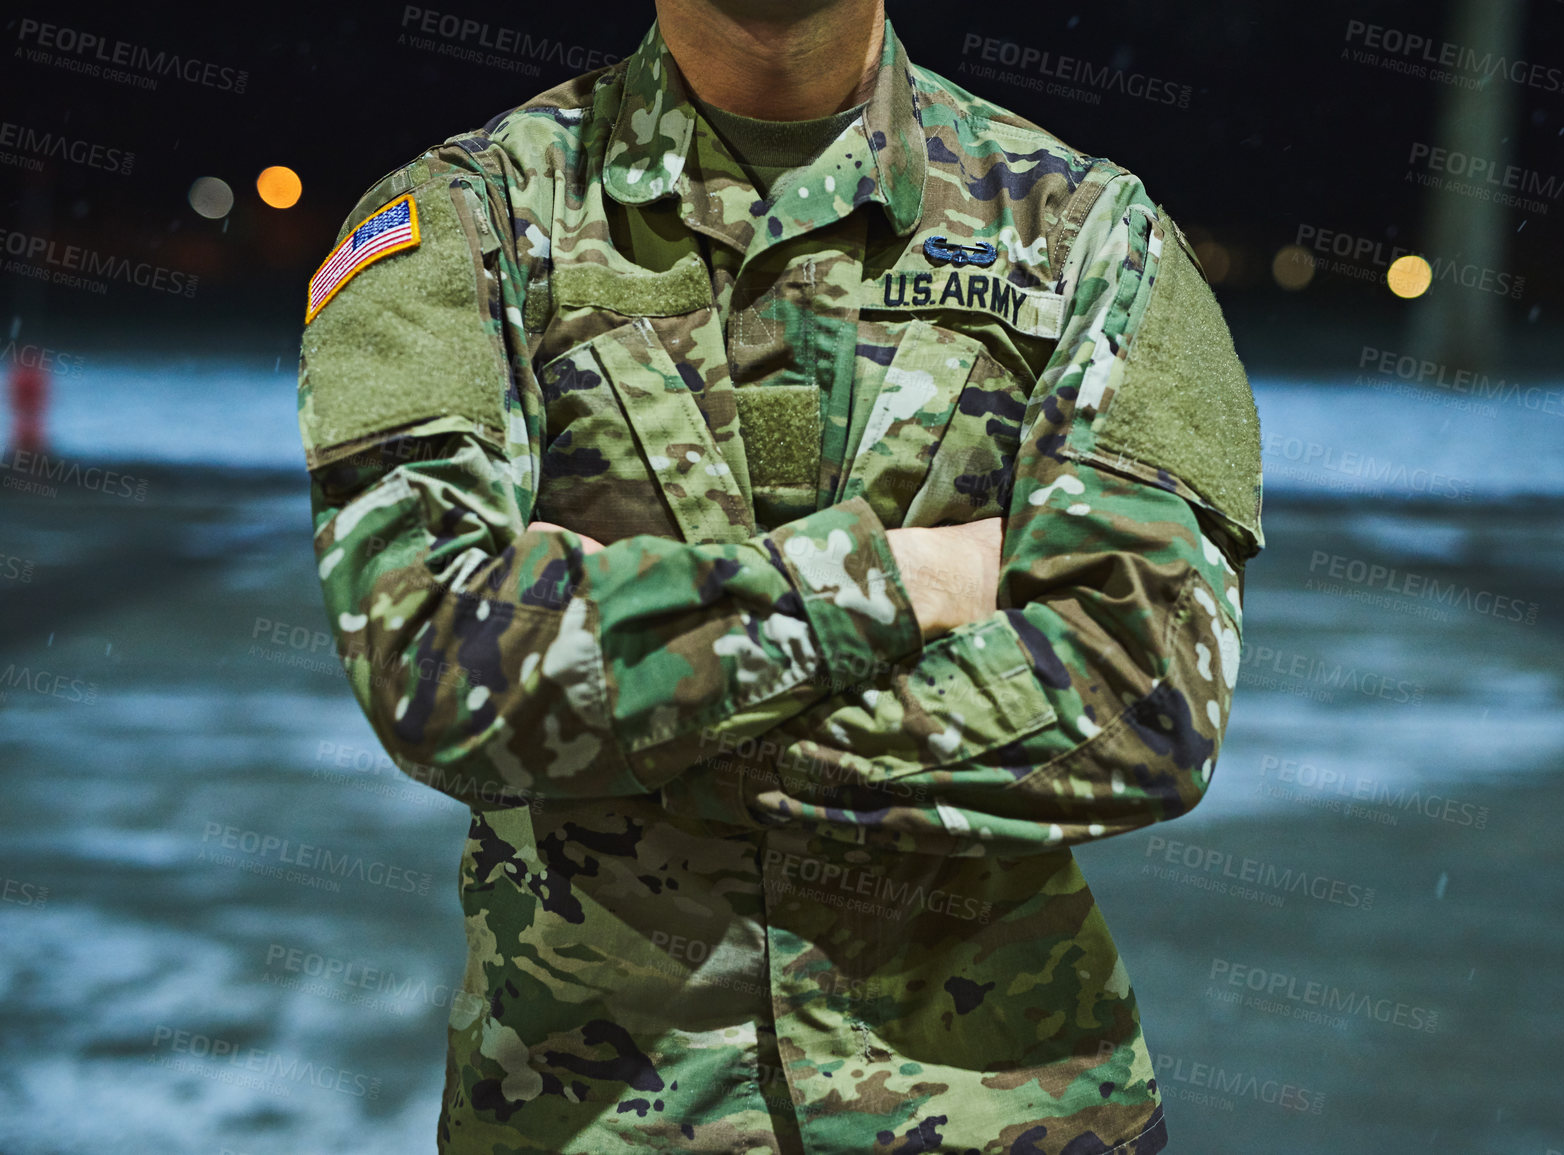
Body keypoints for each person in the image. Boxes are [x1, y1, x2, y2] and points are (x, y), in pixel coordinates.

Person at [296, 0, 1264, 1150]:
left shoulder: (1088, 233)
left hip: (1008, 1115)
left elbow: (1145, 698)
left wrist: (636, 709)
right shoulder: (468, 223)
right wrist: (896, 582)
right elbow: (441, 673)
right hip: (595, 1116)